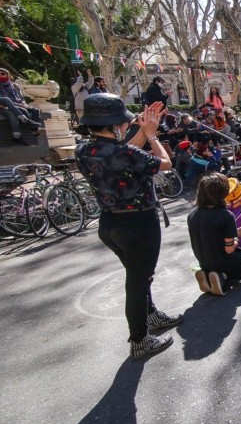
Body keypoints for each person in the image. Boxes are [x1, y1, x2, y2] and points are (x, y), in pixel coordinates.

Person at [74, 94, 182, 359]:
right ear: (114, 126)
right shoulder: (127, 152)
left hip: (110, 224)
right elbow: (166, 164)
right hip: (139, 224)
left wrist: (140, 132)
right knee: (137, 282)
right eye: (122, 124)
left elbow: (123, 154)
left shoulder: (84, 150)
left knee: (138, 275)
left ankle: (151, 315)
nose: (125, 126)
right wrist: (152, 136)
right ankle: (139, 340)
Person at [188, 173, 241, 296]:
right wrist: (236, 236)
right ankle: (223, 276)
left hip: (203, 260)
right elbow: (229, 249)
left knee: (222, 262)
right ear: (222, 193)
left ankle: (208, 274)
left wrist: (234, 232)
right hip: (224, 260)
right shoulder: (225, 215)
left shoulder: (192, 214)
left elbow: (210, 236)